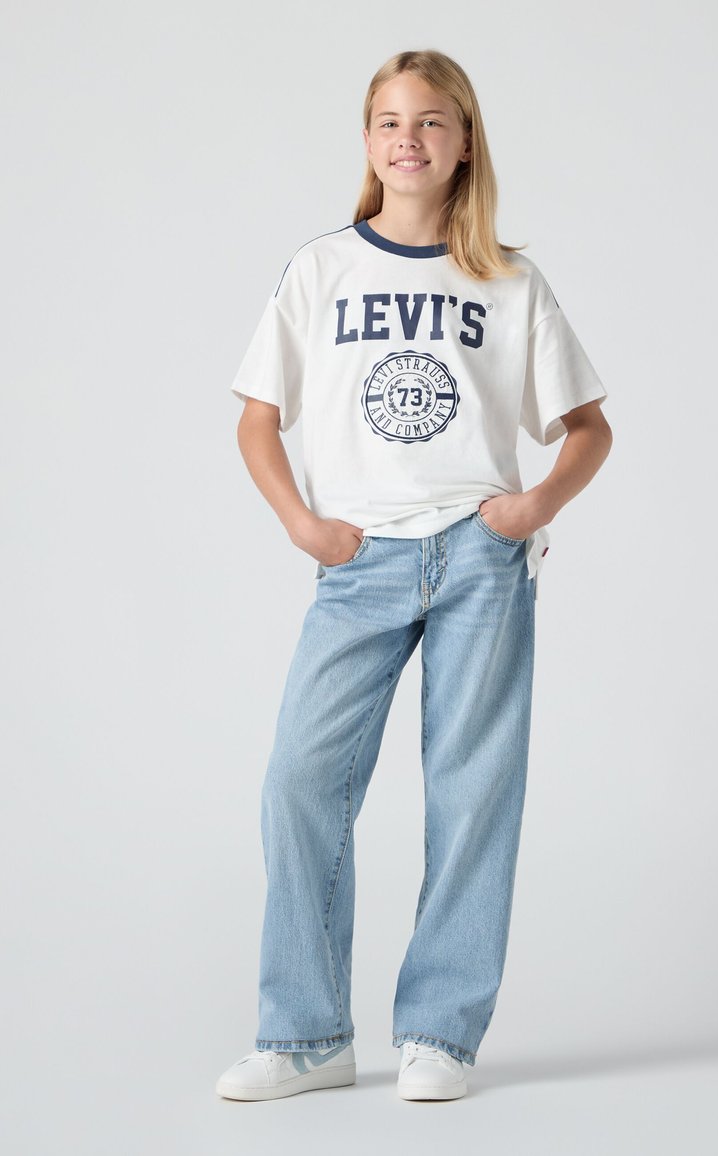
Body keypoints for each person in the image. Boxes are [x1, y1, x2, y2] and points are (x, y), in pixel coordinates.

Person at [215, 48, 612, 1104]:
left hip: (481, 559)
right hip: (360, 561)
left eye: (431, 121)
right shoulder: (321, 270)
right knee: (300, 781)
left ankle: (440, 1031)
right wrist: (302, 525)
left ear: (464, 141)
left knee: (471, 792)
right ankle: (307, 1034)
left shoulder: (510, 281)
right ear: (366, 141)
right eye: (389, 121)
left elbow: (587, 427)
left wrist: (531, 507)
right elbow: (258, 417)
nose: (408, 139)